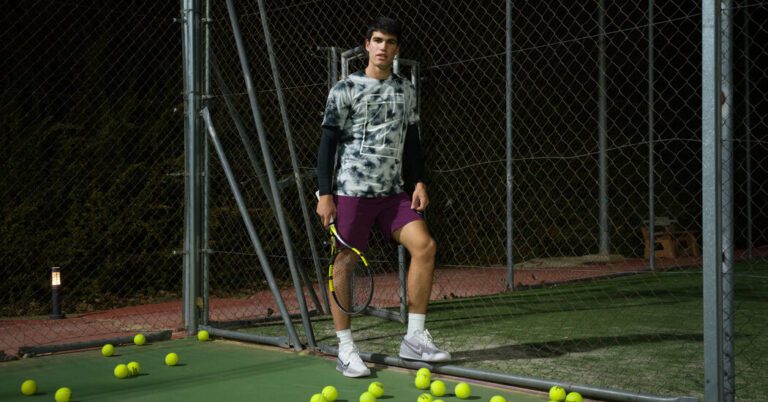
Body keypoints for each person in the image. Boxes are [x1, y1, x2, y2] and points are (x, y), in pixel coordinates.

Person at [316, 16, 451, 378]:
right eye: (377, 40)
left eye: (390, 42)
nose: (382, 47)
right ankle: (346, 348)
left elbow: (413, 141)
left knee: (424, 246)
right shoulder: (344, 88)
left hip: (393, 194)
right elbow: (327, 143)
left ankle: (414, 339)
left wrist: (419, 181)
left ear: (397, 49)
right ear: (366, 45)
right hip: (351, 194)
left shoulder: (405, 90)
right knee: (344, 263)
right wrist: (324, 194)